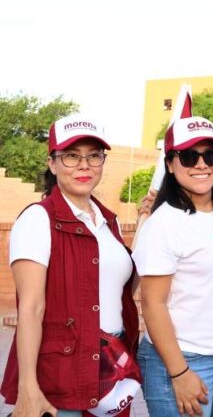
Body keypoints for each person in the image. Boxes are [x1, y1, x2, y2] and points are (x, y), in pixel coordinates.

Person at [2, 115, 140, 416]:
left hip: (110, 370)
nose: (84, 165)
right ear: (52, 163)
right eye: (71, 156)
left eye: (94, 156)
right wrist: (28, 388)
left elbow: (116, 289)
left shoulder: (107, 222)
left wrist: (145, 225)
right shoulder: (38, 219)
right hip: (63, 377)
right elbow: (31, 307)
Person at [132, 116, 213, 416]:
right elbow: (152, 304)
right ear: (170, 164)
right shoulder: (163, 225)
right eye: (188, 156)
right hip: (181, 359)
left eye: (210, 155)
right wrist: (179, 372)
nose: (201, 164)